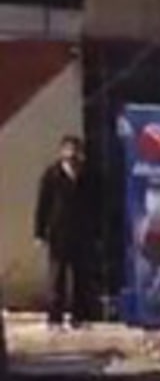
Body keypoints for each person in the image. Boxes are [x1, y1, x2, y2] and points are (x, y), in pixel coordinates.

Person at [33, 135, 99, 329]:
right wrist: (39, 232)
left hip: (82, 233)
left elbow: (96, 206)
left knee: (82, 277)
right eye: (69, 150)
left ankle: (81, 317)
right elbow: (42, 205)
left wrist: (95, 233)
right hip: (58, 233)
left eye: (76, 151)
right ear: (62, 152)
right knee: (57, 278)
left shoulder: (88, 175)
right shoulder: (51, 174)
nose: (73, 155)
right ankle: (55, 319)